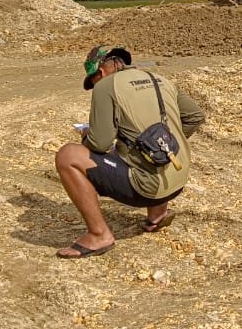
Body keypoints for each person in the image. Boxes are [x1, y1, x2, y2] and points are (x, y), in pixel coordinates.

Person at [53, 45, 206, 259]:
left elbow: (99, 144)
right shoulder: (158, 79)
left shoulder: (105, 86)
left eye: (93, 81)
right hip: (178, 179)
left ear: (100, 72)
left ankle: (98, 235)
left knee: (68, 156)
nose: (95, 86)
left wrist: (86, 135)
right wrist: (167, 145)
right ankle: (158, 214)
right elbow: (195, 116)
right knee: (144, 146)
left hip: (146, 188)